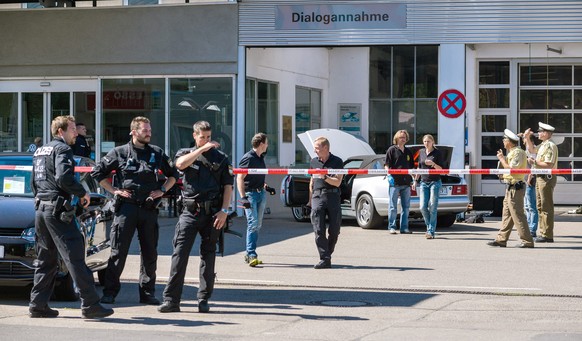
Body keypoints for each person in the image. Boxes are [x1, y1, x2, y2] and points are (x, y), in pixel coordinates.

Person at [30, 115, 113, 319]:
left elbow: (34, 182)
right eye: (73, 129)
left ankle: (38, 305)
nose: (76, 132)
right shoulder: (63, 149)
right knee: (75, 256)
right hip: (56, 210)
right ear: (61, 131)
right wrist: (82, 193)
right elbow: (64, 177)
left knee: (46, 260)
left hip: (41, 209)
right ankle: (91, 304)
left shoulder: (40, 151)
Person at [91, 116, 178, 305]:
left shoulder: (157, 152)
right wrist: (115, 190)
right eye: (145, 130)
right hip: (126, 209)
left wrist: (162, 190)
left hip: (148, 209)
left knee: (149, 253)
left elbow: (173, 175)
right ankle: (110, 292)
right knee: (117, 252)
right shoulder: (119, 152)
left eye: (149, 130)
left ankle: (147, 293)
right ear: (133, 132)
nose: (149, 133)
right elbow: (97, 173)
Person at [158, 121, 233, 313]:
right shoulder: (185, 153)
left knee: (208, 256)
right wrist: (200, 150)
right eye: (203, 137)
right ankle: (171, 300)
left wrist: (224, 210)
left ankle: (203, 298)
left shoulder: (221, 158)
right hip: (190, 212)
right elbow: (180, 165)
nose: (207, 141)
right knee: (179, 255)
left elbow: (227, 187)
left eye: (209, 137)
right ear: (195, 136)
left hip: (212, 213)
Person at [486, 129, 534, 248]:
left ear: (510, 141)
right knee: (507, 215)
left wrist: (502, 159)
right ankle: (501, 239)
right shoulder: (512, 152)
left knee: (518, 215)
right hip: (510, 187)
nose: (503, 141)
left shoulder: (517, 152)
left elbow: (512, 169)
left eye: (504, 139)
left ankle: (527, 241)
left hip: (515, 188)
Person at [237, 132, 274, 267]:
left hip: (261, 194)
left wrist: (266, 187)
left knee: (257, 225)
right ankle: (251, 253)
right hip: (250, 195)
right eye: (267, 142)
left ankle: (249, 253)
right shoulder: (248, 158)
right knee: (252, 224)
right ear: (261, 144)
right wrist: (243, 197)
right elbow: (240, 178)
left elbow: (256, 176)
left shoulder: (260, 157)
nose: (268, 145)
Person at [308, 136, 344, 269]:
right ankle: (324, 258)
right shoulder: (313, 161)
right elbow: (312, 181)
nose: (315, 150)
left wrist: (325, 176)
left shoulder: (337, 162)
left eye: (317, 148)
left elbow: (338, 182)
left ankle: (327, 253)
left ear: (326, 148)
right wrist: (310, 199)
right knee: (318, 229)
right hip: (317, 196)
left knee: (334, 230)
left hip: (332, 196)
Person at [523, 122, 558, 243]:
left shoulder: (549, 146)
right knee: (540, 206)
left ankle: (547, 235)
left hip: (546, 178)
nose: (538, 133)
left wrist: (534, 162)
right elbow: (532, 150)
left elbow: (549, 164)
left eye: (540, 131)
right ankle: (543, 232)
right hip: (540, 177)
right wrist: (527, 138)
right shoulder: (543, 145)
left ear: (547, 133)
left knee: (546, 206)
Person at [384, 130, 414, 234]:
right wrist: (388, 175)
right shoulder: (391, 150)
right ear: (397, 138)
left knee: (406, 207)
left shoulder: (408, 151)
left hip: (406, 183)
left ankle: (404, 228)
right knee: (393, 207)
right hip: (395, 183)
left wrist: (413, 180)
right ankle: (392, 227)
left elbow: (411, 167)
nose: (403, 139)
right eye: (401, 137)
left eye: (405, 137)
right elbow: (386, 164)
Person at [414, 134, 444, 239]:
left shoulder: (438, 153)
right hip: (423, 182)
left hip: (435, 182)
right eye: (425, 141)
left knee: (432, 206)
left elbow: (441, 170)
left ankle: (431, 231)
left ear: (433, 142)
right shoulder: (421, 152)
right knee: (422, 207)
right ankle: (429, 227)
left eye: (428, 141)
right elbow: (419, 167)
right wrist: (415, 180)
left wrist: (433, 164)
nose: (426, 143)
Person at [522, 133, 539, 237]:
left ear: (530, 141)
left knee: (532, 206)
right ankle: (529, 227)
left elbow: (534, 165)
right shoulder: (527, 151)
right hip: (525, 181)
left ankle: (532, 229)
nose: (523, 141)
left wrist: (529, 176)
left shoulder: (534, 150)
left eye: (525, 139)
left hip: (530, 181)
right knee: (527, 206)